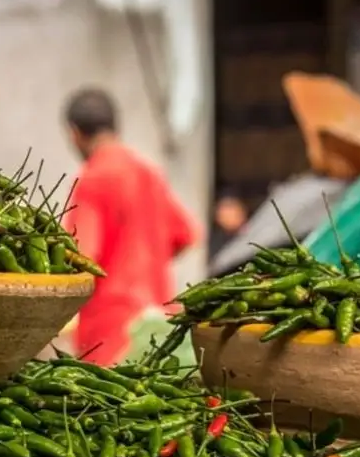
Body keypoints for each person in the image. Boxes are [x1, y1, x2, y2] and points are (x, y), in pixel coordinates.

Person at [62, 88, 198, 364]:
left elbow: (82, 258)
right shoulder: (148, 171)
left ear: (74, 133)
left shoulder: (92, 180)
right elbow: (185, 234)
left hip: (110, 334)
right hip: (159, 326)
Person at [209, 189, 248, 259]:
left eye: (230, 207)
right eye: (222, 209)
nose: (226, 213)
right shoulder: (213, 242)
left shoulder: (253, 234)